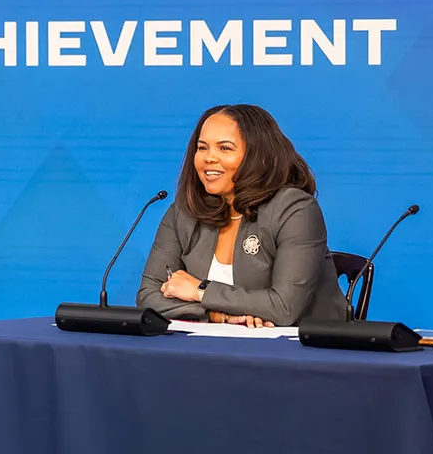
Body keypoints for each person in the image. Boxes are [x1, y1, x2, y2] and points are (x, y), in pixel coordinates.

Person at [138, 104, 346, 327]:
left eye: (225, 149)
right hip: (217, 347)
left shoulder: (295, 209)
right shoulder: (184, 211)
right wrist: (216, 316)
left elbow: (283, 308)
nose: (209, 158)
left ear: (258, 156)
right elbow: (148, 296)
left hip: (304, 352)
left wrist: (200, 290)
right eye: (202, 148)